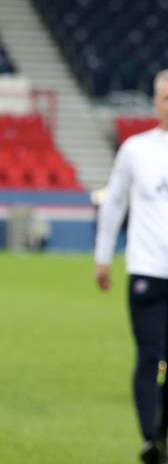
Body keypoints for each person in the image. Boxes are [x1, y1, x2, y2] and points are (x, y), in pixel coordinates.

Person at [95, 69, 168, 464]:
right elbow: (115, 203)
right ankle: (150, 438)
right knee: (149, 353)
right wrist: (103, 257)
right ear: (155, 102)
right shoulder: (136, 150)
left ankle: (162, 436)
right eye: (165, 97)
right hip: (147, 270)